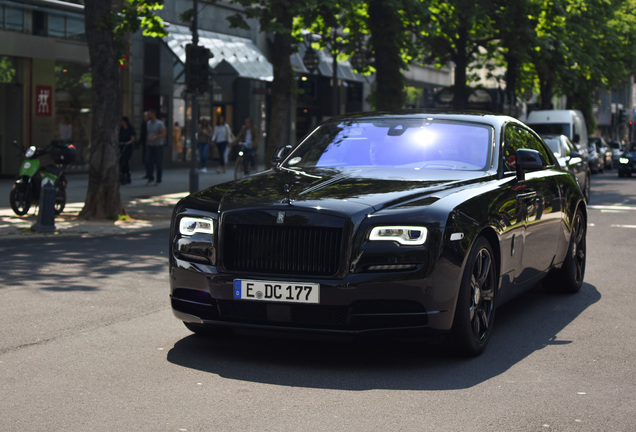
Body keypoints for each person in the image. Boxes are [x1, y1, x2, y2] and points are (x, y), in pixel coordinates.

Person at [145, 109, 166, 185]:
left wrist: (155, 137)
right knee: (147, 161)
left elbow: (163, 134)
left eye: (149, 114)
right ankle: (150, 177)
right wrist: (147, 143)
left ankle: (158, 179)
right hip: (150, 146)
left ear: (153, 114)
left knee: (158, 163)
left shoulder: (159, 123)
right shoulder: (148, 123)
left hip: (158, 146)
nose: (148, 116)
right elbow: (148, 133)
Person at [118, 116, 136, 185]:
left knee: (125, 161)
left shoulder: (130, 129)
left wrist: (128, 142)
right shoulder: (121, 129)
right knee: (121, 161)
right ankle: (122, 174)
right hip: (121, 146)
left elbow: (132, 138)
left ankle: (127, 175)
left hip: (127, 147)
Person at [139, 111, 150, 179]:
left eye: (145, 116)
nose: (144, 118)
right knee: (145, 159)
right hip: (145, 142)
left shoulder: (149, 124)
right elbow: (142, 134)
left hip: (148, 143)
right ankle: (148, 173)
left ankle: (149, 173)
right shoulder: (143, 124)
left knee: (148, 159)